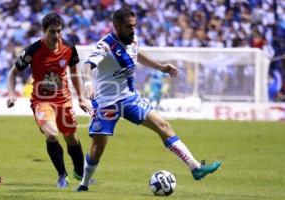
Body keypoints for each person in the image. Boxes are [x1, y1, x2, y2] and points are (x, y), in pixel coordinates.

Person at [76, 7, 221, 192]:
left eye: (134, 25)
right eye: (128, 26)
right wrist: (88, 83)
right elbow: (87, 66)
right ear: (116, 26)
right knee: (98, 146)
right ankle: (84, 184)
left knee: (163, 126)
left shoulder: (133, 39)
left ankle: (195, 168)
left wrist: (160, 67)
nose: (133, 30)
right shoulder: (105, 46)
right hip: (105, 102)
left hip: (129, 98)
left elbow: (138, 53)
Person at [7, 13, 91, 188]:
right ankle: (62, 175)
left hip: (64, 100)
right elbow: (13, 72)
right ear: (43, 31)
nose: (56, 36)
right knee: (52, 134)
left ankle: (79, 172)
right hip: (41, 100)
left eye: (59, 31)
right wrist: (11, 93)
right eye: (52, 32)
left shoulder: (69, 48)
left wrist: (81, 98)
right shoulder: (32, 50)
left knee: (72, 139)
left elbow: (74, 73)